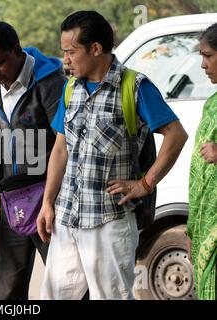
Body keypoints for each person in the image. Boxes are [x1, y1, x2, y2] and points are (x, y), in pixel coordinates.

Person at [37, 11, 188, 300]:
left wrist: (144, 184)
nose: (65, 60)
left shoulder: (134, 87)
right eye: (63, 52)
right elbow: (60, 148)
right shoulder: (71, 89)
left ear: (95, 48)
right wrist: (47, 203)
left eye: (71, 52)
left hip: (110, 220)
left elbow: (176, 135)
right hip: (68, 218)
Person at [0, 20, 66, 300]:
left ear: (17, 50)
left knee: (66, 284)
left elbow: (66, 143)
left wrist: (51, 199)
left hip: (53, 203)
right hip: (13, 202)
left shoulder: (51, 83)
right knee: (7, 290)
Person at [186, 22, 217, 301]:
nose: (203, 65)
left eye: (208, 56)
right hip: (207, 219)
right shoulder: (212, 104)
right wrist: (193, 228)